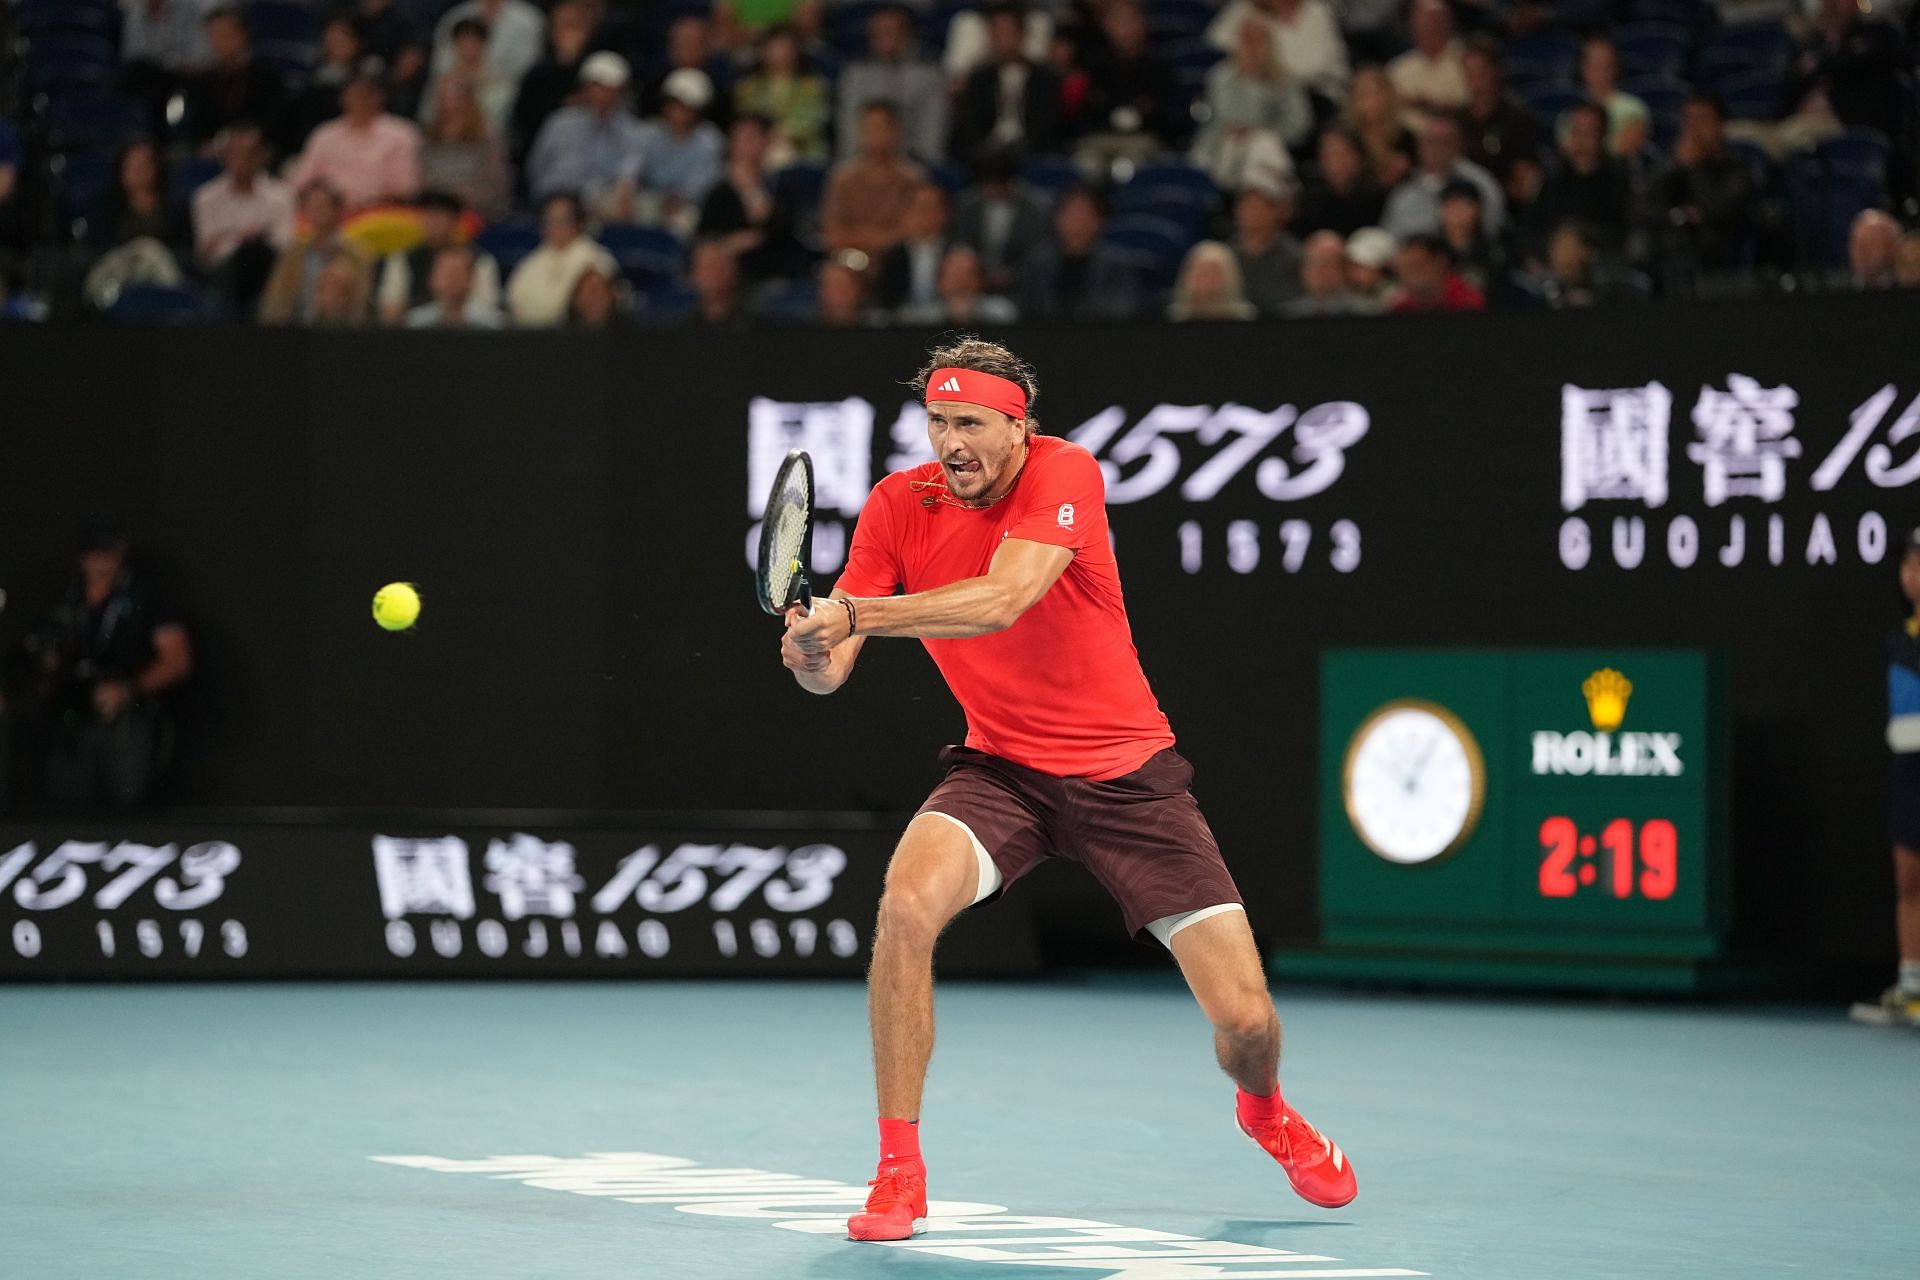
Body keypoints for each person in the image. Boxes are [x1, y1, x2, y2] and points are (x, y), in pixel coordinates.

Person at [779, 336, 1359, 1242]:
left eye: (970, 422)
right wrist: (814, 650)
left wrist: (853, 615)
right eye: (938, 421)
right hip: (1000, 772)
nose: (950, 441)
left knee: (1247, 1021)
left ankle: (1265, 1111)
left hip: (1128, 780)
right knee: (903, 910)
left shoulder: (1066, 472)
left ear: (1018, 426)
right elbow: (831, 672)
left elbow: (1002, 599)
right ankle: (898, 1171)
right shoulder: (900, 504)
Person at [25, 516, 191, 811]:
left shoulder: (146, 597)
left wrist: (129, 689)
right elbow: (44, 654)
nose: (101, 561)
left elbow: (177, 660)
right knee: (63, 799)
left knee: (128, 799)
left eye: (108, 552)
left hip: (128, 717)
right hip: (71, 717)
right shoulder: (65, 598)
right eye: (93, 552)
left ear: (121, 551)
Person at [1853, 527, 1920, 1027]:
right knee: (1907, 878)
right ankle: (1912, 987)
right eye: (1908, 566)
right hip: (1907, 768)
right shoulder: (1899, 638)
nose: (1914, 575)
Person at [1637, 93, 1752, 279]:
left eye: (1703, 120)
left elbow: (1719, 210)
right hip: (1667, 247)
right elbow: (1642, 206)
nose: (1694, 130)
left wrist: (1695, 168)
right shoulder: (1671, 165)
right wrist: (1676, 216)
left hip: (1718, 253)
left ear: (1720, 125)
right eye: (1689, 120)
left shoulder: (1736, 168)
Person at [1190, 17, 1311, 191]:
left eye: (1256, 41)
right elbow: (1221, 118)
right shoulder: (1220, 77)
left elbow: (1299, 125)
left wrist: (1257, 130)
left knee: (1263, 144)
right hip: (1222, 145)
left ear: (1269, 45)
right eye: (1245, 41)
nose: (1250, 48)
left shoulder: (1285, 82)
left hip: (1266, 147)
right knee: (1204, 157)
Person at [526, 52, 651, 218]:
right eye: (597, 87)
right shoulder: (560, 123)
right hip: (557, 196)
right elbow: (535, 168)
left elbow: (629, 172)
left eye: (610, 89)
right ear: (585, 88)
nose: (603, 95)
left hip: (603, 200)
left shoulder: (631, 130)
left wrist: (618, 191)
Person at [292, 64, 424, 211]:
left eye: (367, 94)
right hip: (328, 212)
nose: (360, 99)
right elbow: (302, 182)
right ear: (343, 97)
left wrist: (369, 203)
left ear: (380, 96)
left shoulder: (401, 134)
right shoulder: (325, 134)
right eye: (354, 93)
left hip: (378, 213)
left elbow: (406, 189)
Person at [192, 121, 293, 307]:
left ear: (260, 156)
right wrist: (241, 238)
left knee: (259, 256)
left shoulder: (281, 194)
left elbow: (284, 242)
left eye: (248, 155)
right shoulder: (206, 197)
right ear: (224, 158)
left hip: (268, 266)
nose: (241, 161)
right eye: (234, 155)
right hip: (223, 272)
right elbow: (206, 250)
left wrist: (232, 236)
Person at [949, 3, 1063, 163]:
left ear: (1022, 35)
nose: (1002, 40)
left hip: (1033, 152)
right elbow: (972, 127)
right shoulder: (979, 78)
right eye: (995, 33)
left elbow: (1047, 126)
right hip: (987, 156)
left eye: (1007, 33)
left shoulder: (1045, 78)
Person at [837, 6, 948, 163]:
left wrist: (925, 164)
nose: (885, 38)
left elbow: (933, 128)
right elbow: (848, 125)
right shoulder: (855, 75)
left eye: (891, 31)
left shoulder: (929, 75)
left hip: (914, 161)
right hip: (863, 161)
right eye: (878, 32)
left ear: (908, 35)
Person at [376, 189, 501, 325]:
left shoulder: (480, 259)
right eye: (428, 215)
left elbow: (487, 307)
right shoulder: (403, 258)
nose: (433, 222)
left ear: (455, 221)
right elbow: (390, 308)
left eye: (440, 216)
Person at [1017, 186, 1142, 321]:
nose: (1078, 220)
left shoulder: (1117, 264)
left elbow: (1121, 310)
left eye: (1085, 213)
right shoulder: (1038, 262)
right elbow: (1024, 308)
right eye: (1070, 212)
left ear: (1101, 220)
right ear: (1057, 218)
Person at [698, 114, 797, 281]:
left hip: (770, 273)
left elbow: (772, 227)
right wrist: (729, 244)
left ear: (766, 141)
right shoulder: (719, 192)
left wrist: (750, 190)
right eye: (738, 137)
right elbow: (705, 237)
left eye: (751, 137)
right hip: (724, 276)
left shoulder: (781, 186)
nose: (744, 145)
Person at [821, 102, 925, 263]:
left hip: (899, 262)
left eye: (882, 127)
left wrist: (866, 236)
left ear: (897, 132)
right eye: (869, 128)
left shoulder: (913, 179)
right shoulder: (842, 179)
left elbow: (914, 230)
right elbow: (833, 235)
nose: (875, 134)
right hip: (849, 261)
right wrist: (876, 237)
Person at [1380, 113, 1504, 240]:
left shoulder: (1479, 182)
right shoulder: (1405, 191)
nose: (1435, 149)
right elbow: (1390, 236)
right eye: (1429, 141)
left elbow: (1493, 229)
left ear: (1458, 144)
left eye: (1443, 142)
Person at [510, 0, 602, 169]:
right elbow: (524, 121)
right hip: (546, 156)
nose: (567, 34)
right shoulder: (538, 74)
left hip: (593, 156)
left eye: (573, 26)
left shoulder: (597, 70)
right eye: (562, 26)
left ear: (586, 31)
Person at [1529, 102, 1631, 253]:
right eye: (1576, 132)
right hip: (1551, 262)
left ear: (1603, 137)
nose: (1580, 142)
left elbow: (1623, 233)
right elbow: (1532, 228)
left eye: (1588, 133)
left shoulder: (1619, 180)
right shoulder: (1552, 177)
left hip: (1601, 262)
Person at [948, 148, 1051, 294]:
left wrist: (1013, 273)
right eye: (987, 184)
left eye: (998, 184)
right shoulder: (967, 206)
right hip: (972, 283)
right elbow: (960, 242)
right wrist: (976, 271)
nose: (991, 190)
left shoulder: (1036, 210)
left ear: (1012, 180)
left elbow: (1038, 253)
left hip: (1021, 285)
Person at [505, 192, 618, 327]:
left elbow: (595, 309)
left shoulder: (598, 259)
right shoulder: (529, 264)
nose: (555, 227)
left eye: (562, 221)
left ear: (579, 223)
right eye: (549, 221)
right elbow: (515, 304)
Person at [183, 6, 286, 150]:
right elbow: (197, 127)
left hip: (255, 151)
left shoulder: (267, 78)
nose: (219, 42)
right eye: (213, 36)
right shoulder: (203, 82)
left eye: (225, 34)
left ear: (243, 34)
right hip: (214, 152)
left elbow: (274, 123)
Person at [637, 69, 726, 235]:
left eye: (685, 106)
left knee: (683, 223)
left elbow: (705, 183)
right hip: (651, 198)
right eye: (674, 104)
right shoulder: (650, 132)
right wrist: (627, 189)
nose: (678, 111)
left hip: (689, 205)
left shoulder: (710, 139)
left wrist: (679, 198)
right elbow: (634, 168)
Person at [1205, 0, 1349, 103]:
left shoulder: (1317, 10)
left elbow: (1327, 67)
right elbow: (1216, 44)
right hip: (1269, 95)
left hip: (1321, 95)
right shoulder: (1248, 9)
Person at [1455, 37, 1539, 208]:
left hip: (1502, 207)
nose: (1474, 80)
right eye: (1469, 72)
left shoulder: (1517, 119)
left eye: (1481, 72)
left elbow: (1523, 185)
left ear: (1497, 72)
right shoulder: (1457, 119)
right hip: (1458, 204)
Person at [259, 180, 357, 323]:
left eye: (323, 205)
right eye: (311, 206)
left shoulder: (357, 253)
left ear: (338, 209)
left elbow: (360, 301)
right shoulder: (293, 252)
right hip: (295, 332)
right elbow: (275, 297)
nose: (317, 211)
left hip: (340, 331)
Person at [734, 23, 830, 163]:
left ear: (796, 51)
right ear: (764, 50)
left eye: (786, 47)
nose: (781, 52)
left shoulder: (812, 86)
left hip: (802, 148)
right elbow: (748, 118)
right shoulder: (748, 87)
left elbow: (814, 118)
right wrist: (767, 138)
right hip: (759, 145)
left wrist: (786, 134)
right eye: (775, 46)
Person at [279, 16, 362, 156]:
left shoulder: (367, 75)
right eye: (331, 36)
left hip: (352, 148)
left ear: (357, 41)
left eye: (342, 37)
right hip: (310, 146)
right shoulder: (312, 75)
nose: (335, 42)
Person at [420, 16, 514, 137]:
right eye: (463, 41)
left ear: (484, 44)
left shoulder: (499, 82)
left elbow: (499, 120)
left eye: (475, 41)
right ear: (455, 44)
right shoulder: (441, 81)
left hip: (484, 141)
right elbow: (426, 116)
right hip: (443, 140)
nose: (469, 47)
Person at [431, 0, 546, 91]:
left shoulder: (529, 20)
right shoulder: (455, 17)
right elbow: (441, 65)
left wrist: (488, 81)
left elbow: (527, 68)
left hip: (509, 98)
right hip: (456, 94)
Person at [1294, 128, 1385, 239]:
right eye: (1327, 155)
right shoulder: (1310, 195)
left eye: (1341, 155)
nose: (1334, 164)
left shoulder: (1377, 197)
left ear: (1359, 157)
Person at [1228, 179, 1303, 316]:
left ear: (1277, 211)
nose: (1251, 212)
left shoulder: (1294, 255)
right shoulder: (1227, 256)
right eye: (1246, 205)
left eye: (1258, 205)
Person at [876, 182, 951, 313]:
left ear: (943, 214)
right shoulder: (893, 255)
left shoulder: (954, 252)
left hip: (947, 319)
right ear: (907, 213)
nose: (926, 216)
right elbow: (886, 298)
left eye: (932, 208)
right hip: (903, 322)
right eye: (921, 209)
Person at [897, 244, 1018, 325]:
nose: (961, 283)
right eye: (954, 276)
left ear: (981, 281)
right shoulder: (920, 320)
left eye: (968, 275)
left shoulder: (1002, 315)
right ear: (940, 283)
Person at [1387, 0, 1466, 120]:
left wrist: (1434, 105)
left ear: (1449, 24)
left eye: (1434, 23)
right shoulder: (1398, 68)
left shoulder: (1466, 61)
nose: (1427, 29)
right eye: (1421, 24)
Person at [1576, 36, 1648, 160]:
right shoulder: (1572, 113)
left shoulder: (1632, 108)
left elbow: (1625, 154)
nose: (1599, 68)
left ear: (1615, 66)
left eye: (1604, 62)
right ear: (1583, 68)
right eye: (1593, 62)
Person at [405, 244, 506, 327]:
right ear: (431, 279)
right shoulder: (415, 323)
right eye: (446, 274)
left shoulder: (495, 324)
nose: (452, 281)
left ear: (471, 279)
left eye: (457, 274)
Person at [1281, 228, 1373, 315]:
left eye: (1326, 263)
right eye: (1311, 262)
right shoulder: (1288, 315)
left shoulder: (1365, 313)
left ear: (1343, 267)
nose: (1317, 270)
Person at [1387, 232, 1484, 312]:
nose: (1409, 277)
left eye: (1417, 267)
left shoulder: (1468, 303)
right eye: (1403, 269)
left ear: (1440, 261)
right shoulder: (1401, 308)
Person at [1168, 239, 1259, 320]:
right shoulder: (1172, 318)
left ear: (1230, 278)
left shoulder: (1248, 319)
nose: (1206, 282)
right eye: (1201, 274)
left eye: (1214, 275)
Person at [1847, 210, 1901, 291]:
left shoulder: (1907, 289)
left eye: (1871, 244)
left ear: (1892, 248)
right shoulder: (1834, 288)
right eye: (1859, 245)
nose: (1863, 253)